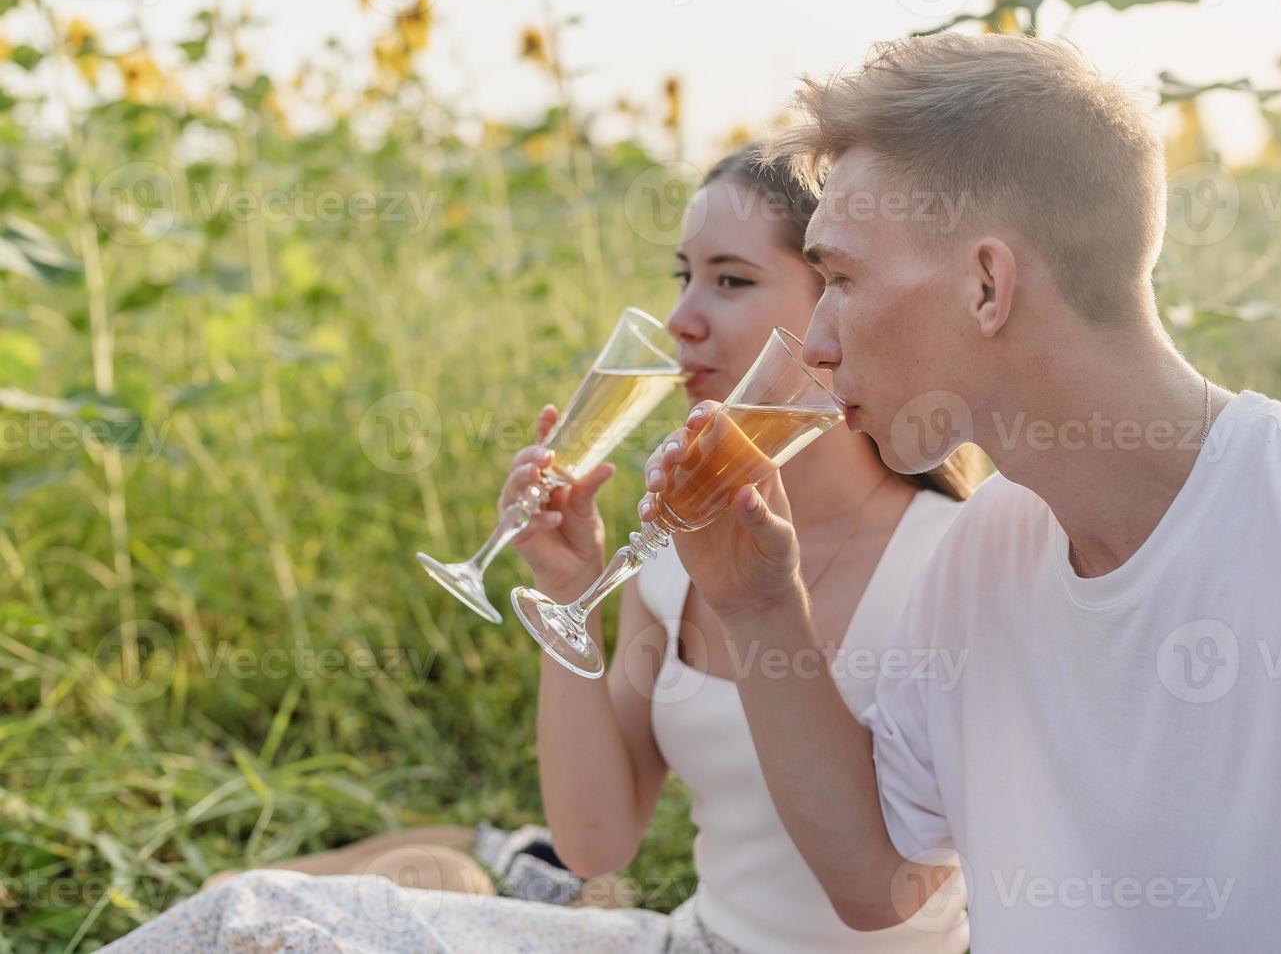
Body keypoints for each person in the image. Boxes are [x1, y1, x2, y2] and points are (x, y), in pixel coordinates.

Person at [638, 34, 1281, 952]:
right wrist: (757, 605)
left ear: (987, 284)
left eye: (838, 278)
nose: (817, 339)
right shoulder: (983, 553)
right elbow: (877, 880)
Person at [99, 146, 984, 953]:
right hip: (686, 942)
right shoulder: (675, 551)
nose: (680, 318)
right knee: (256, 917)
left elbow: (913, 892)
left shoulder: (950, 564)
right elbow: (595, 841)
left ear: (837, 299)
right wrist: (570, 594)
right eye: (683, 275)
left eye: (730, 280)